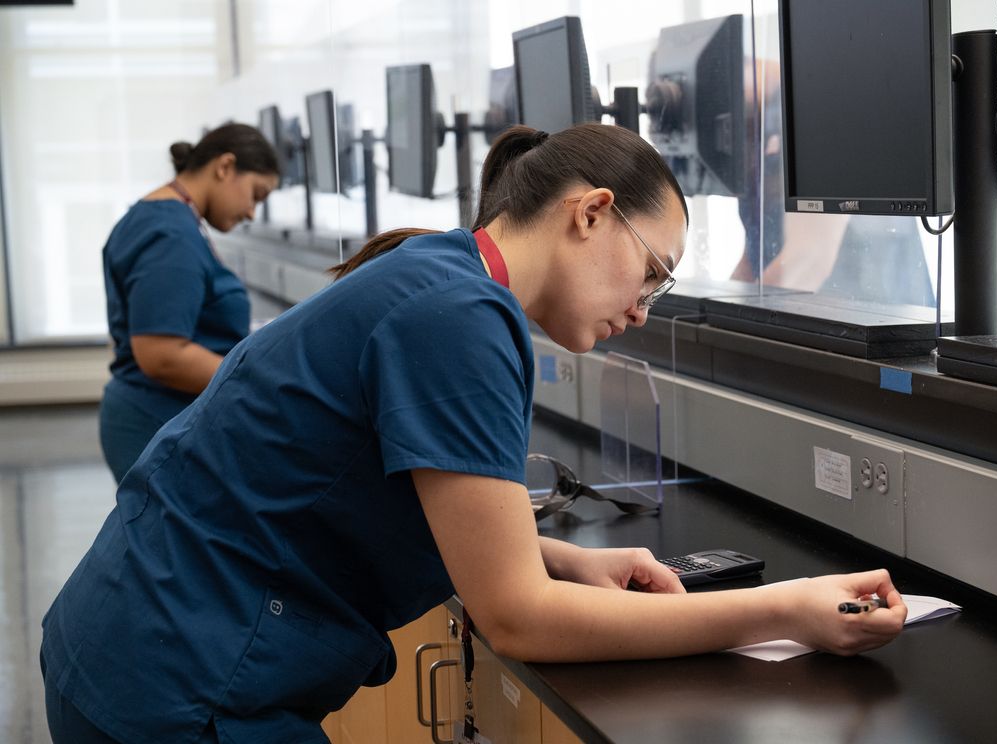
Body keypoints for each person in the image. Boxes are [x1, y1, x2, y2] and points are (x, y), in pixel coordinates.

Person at [41, 123, 906, 744]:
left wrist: (568, 557)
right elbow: (518, 619)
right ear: (591, 212)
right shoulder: (461, 316)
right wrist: (780, 610)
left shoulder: (437, 272)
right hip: (181, 682)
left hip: (131, 638)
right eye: (650, 274)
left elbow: (422, 501)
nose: (643, 310)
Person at [98, 123, 280, 483]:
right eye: (255, 194)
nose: (251, 213)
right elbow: (162, 354)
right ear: (225, 167)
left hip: (152, 414)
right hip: (154, 420)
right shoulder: (170, 234)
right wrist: (258, 384)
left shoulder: (173, 219)